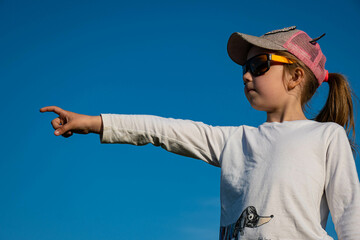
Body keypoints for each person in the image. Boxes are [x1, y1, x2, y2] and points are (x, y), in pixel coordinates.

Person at [40, 26, 360, 239]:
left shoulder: (326, 137)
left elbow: (350, 217)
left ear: (296, 76)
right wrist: (93, 122)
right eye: (244, 69)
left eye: (259, 65)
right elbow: (162, 130)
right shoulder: (234, 140)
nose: (247, 76)